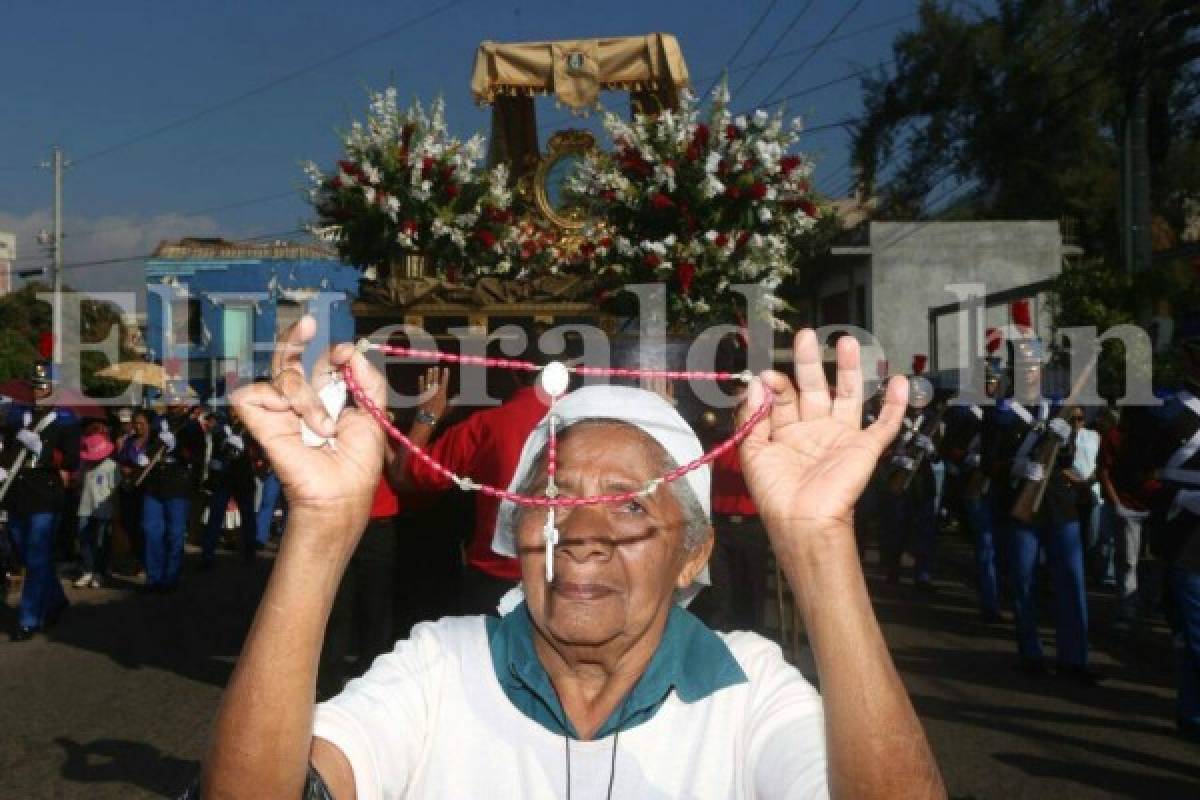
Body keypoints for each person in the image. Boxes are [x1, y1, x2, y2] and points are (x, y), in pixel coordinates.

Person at [195, 320, 944, 798]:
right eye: (551, 500)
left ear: (693, 556)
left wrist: (819, 545)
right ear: (513, 533)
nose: (580, 530)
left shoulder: (749, 692)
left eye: (629, 503)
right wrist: (321, 531)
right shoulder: (439, 664)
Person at [386, 345, 551, 615]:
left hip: (495, 579)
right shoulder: (588, 421)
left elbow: (406, 474)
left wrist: (426, 417)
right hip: (566, 574)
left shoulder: (488, 424)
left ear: (511, 376)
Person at [993, 340, 1093, 682]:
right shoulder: (1002, 412)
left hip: (1060, 506)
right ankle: (1030, 653)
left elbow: (1066, 460)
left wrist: (1065, 439)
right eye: (1024, 368)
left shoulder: (1058, 408)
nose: (1030, 372)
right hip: (1023, 508)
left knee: (1071, 582)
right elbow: (990, 463)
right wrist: (1018, 467)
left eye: (1035, 367)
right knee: (1024, 581)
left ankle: (1074, 659)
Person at [1131, 312, 1200, 742]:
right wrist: (1176, 496)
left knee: (1187, 634)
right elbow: (1132, 472)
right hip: (1186, 537)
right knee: (1193, 629)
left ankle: (1190, 711)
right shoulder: (1166, 410)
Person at [4, 362, 80, 641]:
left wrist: (43, 451)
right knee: (28, 554)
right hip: (18, 492)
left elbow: (72, 460)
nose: (38, 391)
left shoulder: (66, 419)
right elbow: (9, 447)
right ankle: (56, 599)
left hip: (46, 493)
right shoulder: (18, 414)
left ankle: (29, 619)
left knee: (36, 556)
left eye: (44, 385)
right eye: (35, 386)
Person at [139, 390, 205, 591]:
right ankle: (153, 576)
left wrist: (176, 447)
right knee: (151, 531)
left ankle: (171, 576)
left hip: (177, 482)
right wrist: (144, 455)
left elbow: (196, 457)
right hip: (154, 482)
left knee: (175, 533)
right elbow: (149, 445)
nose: (172, 401)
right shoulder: (158, 422)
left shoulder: (192, 426)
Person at [200, 416, 257, 568]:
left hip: (243, 477)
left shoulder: (252, 426)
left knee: (248, 517)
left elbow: (256, 451)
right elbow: (215, 454)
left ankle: (249, 552)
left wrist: (244, 447)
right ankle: (207, 556)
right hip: (223, 478)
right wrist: (212, 477)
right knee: (215, 517)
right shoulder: (221, 427)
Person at [74, 430, 118, 588]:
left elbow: (115, 490)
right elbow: (78, 483)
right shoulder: (85, 465)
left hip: (103, 510)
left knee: (101, 542)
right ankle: (88, 569)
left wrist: (115, 511)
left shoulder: (111, 466)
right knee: (84, 539)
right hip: (85, 508)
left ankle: (99, 572)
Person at [115, 409, 152, 575]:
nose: (138, 427)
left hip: (146, 488)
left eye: (142, 423)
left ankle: (146, 561)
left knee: (144, 526)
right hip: (128, 488)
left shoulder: (153, 442)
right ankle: (135, 558)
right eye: (135, 423)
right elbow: (121, 459)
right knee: (130, 525)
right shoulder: (129, 441)